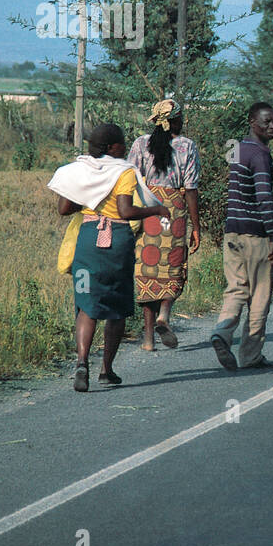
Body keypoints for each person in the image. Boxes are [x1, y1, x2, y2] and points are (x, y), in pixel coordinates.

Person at [49, 123, 170, 392]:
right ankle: (107, 369)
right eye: (122, 143)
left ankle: (81, 363)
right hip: (117, 242)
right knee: (116, 307)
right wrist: (156, 209)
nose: (125, 148)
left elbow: (64, 209)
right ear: (111, 147)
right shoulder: (123, 172)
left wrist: (89, 196)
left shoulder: (78, 170)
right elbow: (125, 211)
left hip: (89, 239)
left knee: (86, 305)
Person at [211, 102, 273, 372]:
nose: (272, 126)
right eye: (266, 122)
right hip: (256, 235)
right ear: (252, 121)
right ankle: (251, 355)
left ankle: (221, 332)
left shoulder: (236, 148)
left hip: (232, 231)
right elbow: (264, 197)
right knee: (260, 296)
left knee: (236, 290)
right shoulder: (261, 155)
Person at [127, 98, 201, 351]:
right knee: (173, 267)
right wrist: (197, 228)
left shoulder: (140, 144)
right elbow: (191, 189)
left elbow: (130, 179)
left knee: (148, 269)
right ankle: (164, 315)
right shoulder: (187, 146)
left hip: (147, 213)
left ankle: (148, 340)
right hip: (174, 214)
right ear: (176, 120)